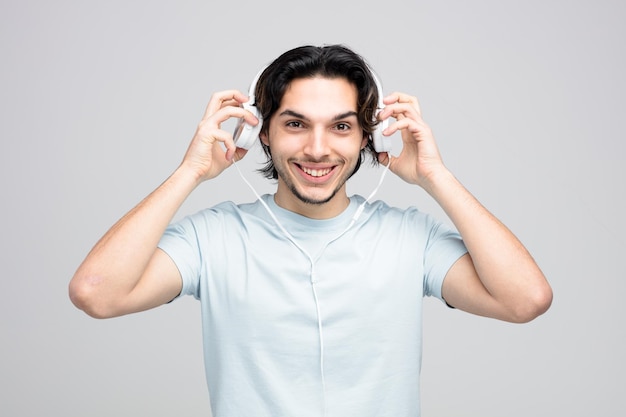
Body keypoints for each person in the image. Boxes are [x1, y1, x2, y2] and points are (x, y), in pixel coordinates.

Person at [69, 44, 552, 416]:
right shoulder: (213, 238)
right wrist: (189, 172)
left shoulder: (410, 237)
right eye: (296, 124)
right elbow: (96, 293)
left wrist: (436, 177)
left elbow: (525, 299)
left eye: (341, 127)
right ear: (263, 132)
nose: (318, 149)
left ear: (367, 136)